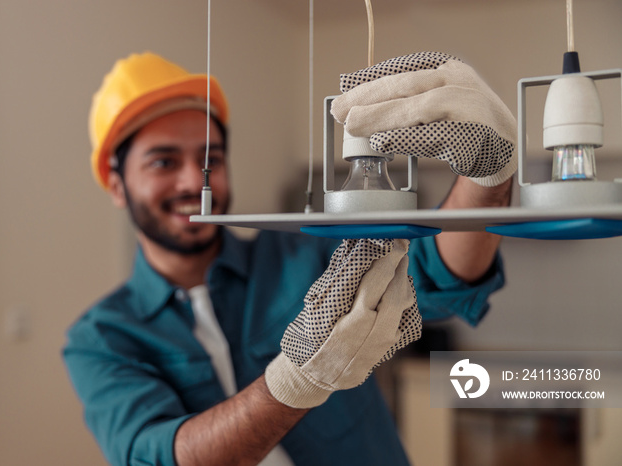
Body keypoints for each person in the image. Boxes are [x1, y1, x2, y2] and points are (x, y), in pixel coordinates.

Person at [63, 51, 512, 466]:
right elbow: (162, 456)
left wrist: (489, 174)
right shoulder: (102, 338)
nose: (189, 182)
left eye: (209, 160)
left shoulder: (307, 255)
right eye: (163, 162)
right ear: (117, 185)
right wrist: (295, 382)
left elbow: (440, 274)